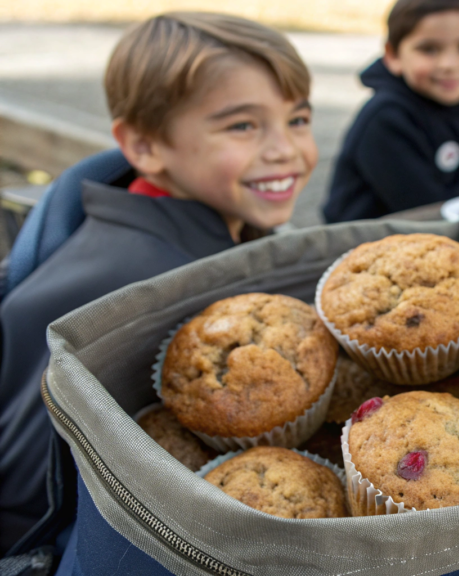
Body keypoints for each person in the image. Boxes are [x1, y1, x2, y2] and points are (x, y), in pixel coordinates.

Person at [0, 12, 317, 555]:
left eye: (298, 119)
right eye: (243, 125)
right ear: (144, 146)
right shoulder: (131, 290)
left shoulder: (210, 219)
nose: (285, 148)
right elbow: (25, 481)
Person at [322, 0, 459, 223]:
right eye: (429, 49)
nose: (449, 64)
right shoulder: (385, 118)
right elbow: (430, 212)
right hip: (367, 245)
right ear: (394, 56)